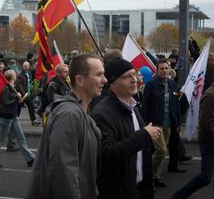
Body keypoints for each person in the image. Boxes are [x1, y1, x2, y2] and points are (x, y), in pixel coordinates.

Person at [26, 54, 105, 199]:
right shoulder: (68, 115)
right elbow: (63, 174)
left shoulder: (81, 114)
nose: (104, 80)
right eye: (99, 75)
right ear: (80, 80)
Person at [91, 58, 162, 199]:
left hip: (140, 189)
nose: (134, 79)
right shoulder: (102, 113)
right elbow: (108, 154)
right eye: (126, 77)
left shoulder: (133, 107)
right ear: (112, 83)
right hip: (118, 192)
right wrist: (144, 135)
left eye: (134, 74)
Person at [141, 59, 182, 188]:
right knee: (162, 150)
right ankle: (145, 173)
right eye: (162, 69)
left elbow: (176, 105)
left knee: (162, 152)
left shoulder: (172, 84)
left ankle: (155, 177)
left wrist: (178, 122)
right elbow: (145, 105)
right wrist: (145, 122)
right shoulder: (151, 85)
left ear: (169, 69)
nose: (164, 71)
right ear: (157, 70)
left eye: (166, 68)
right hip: (155, 123)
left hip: (168, 123)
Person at [172, 80, 214, 198]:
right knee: (206, 177)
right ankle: (178, 196)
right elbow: (206, 123)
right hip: (209, 141)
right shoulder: (210, 95)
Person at [0, 70, 35, 168]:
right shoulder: (6, 89)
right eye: (14, 75)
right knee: (0, 139)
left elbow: (13, 102)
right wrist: (16, 98)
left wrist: (20, 100)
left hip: (13, 116)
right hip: (5, 118)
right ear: (12, 77)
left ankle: (30, 158)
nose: (16, 76)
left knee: (21, 138)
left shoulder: (12, 88)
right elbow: (6, 103)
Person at [16, 61, 40, 126]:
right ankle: (15, 121)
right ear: (22, 66)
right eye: (24, 66)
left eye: (27, 66)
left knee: (31, 106)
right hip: (22, 95)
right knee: (18, 108)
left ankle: (33, 120)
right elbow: (19, 86)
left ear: (29, 67)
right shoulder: (20, 75)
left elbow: (30, 83)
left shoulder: (29, 73)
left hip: (27, 94)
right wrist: (24, 94)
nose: (25, 68)